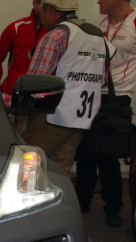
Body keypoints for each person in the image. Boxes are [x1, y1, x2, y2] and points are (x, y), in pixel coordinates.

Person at [19, 0, 113, 176]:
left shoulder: (55, 36)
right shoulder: (97, 36)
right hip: (81, 121)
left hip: (51, 118)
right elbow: (105, 79)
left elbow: (34, 83)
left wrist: (19, 117)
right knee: (59, 175)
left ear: (50, 10)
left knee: (24, 168)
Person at [75, 0, 136, 227]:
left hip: (118, 97)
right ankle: (82, 201)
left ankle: (113, 208)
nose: (98, 1)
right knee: (86, 151)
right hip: (91, 93)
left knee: (108, 155)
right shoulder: (101, 25)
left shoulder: (134, 23)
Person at [0, 1, 47, 105]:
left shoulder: (55, 33)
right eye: (39, 2)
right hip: (11, 93)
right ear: (33, 2)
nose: (41, 7)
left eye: (45, 3)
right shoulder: (15, 28)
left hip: (41, 97)